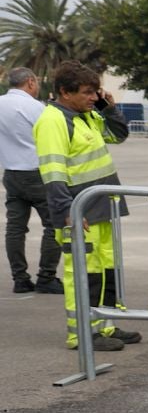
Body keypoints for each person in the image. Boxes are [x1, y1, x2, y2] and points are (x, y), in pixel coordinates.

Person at [32, 62, 138, 351]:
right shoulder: (54, 121)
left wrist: (108, 108)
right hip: (80, 212)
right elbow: (53, 173)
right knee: (83, 274)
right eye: (88, 93)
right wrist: (68, 212)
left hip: (100, 208)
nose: (93, 97)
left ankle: (106, 325)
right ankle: (82, 334)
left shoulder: (86, 115)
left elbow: (118, 135)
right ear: (65, 92)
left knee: (106, 271)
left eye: (95, 92)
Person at [2, 68, 60, 295]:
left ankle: (20, 278)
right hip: (37, 173)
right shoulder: (36, 107)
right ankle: (46, 277)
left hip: (11, 173)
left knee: (15, 228)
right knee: (54, 225)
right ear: (30, 82)